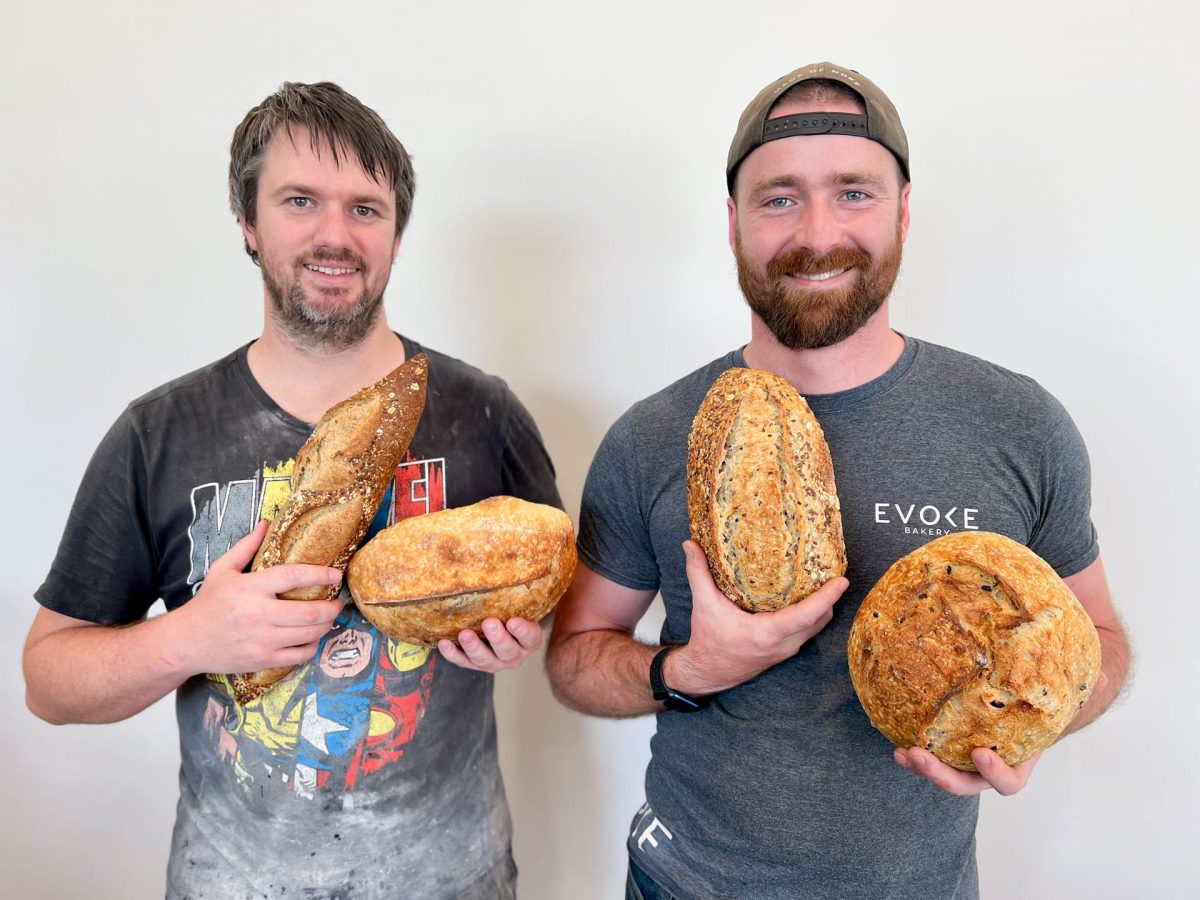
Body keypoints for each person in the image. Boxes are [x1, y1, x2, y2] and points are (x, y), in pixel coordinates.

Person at [545, 61, 1130, 900]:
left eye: (853, 192)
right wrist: (690, 669)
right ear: (735, 221)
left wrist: (1034, 720)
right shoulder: (652, 434)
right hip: (685, 882)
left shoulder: (1017, 423)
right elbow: (572, 659)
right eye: (779, 197)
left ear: (903, 210)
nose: (816, 231)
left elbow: (1100, 640)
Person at [23, 81, 560, 899]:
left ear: (397, 233)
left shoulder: (483, 410)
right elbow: (48, 683)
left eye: (366, 208)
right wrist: (192, 639)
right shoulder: (157, 433)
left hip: (454, 879)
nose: (334, 235)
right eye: (300, 200)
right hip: (231, 883)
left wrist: (523, 632)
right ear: (248, 222)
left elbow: (558, 589)